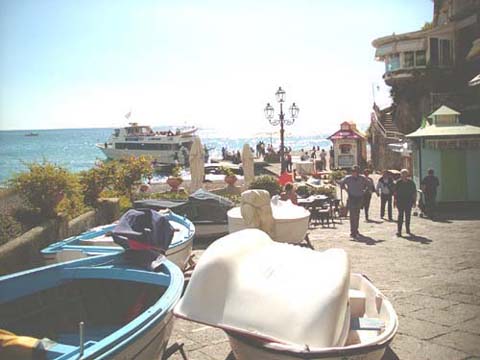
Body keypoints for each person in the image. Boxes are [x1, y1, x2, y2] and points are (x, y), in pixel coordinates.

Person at [339, 166, 368, 238]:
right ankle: (353, 231)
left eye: (355, 171)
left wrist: (364, 191)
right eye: (353, 171)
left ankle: (356, 229)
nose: (354, 173)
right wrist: (346, 190)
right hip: (351, 198)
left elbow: (369, 184)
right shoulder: (348, 178)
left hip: (359, 198)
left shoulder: (362, 178)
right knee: (352, 215)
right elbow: (341, 183)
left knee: (357, 215)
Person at [394, 169, 417, 237]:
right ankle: (399, 231)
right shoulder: (398, 182)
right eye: (402, 174)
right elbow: (395, 192)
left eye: (405, 174)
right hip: (400, 201)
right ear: (401, 175)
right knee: (400, 216)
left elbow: (414, 192)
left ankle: (407, 229)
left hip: (408, 201)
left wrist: (414, 201)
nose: (404, 175)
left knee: (408, 216)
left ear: (407, 175)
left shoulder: (411, 182)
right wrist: (394, 201)